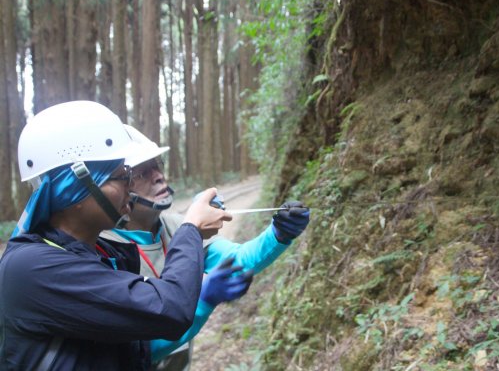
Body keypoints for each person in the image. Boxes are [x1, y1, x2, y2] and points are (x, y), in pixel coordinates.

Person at [0, 101, 232, 371]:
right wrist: (191, 228)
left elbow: (140, 343)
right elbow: (169, 309)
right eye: (122, 176)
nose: (131, 186)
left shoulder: (103, 255)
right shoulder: (32, 268)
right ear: (75, 186)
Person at [99, 125, 311, 370]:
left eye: (157, 164)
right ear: (119, 186)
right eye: (141, 173)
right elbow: (135, 347)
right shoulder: (104, 249)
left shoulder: (178, 226)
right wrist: (203, 300)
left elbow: (236, 259)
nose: (158, 175)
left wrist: (279, 234)